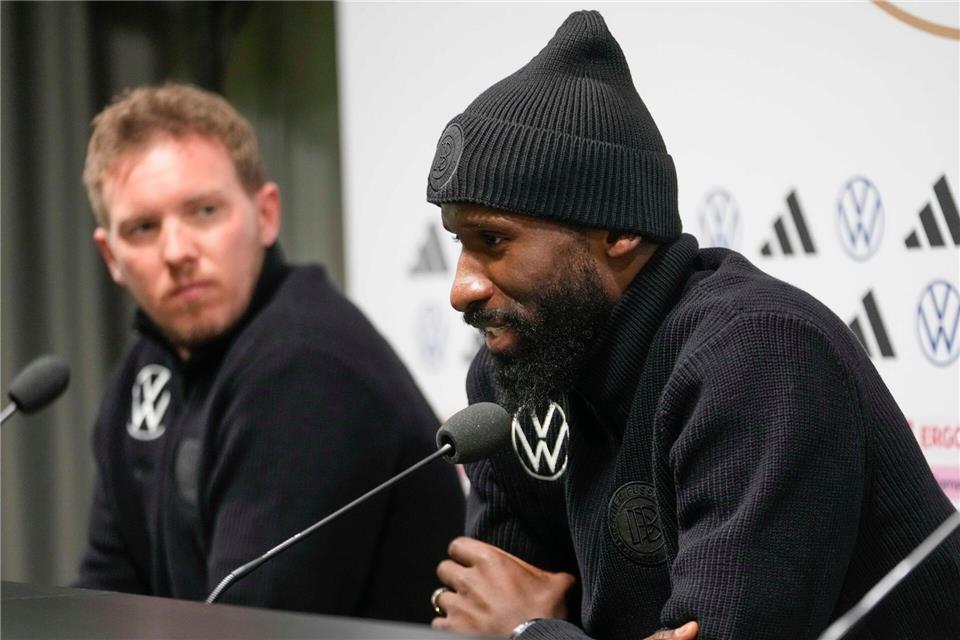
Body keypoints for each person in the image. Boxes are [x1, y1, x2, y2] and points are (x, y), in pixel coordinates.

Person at [424, 11, 960, 640]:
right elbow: (477, 618)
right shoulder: (517, 374)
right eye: (458, 242)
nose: (461, 288)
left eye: (493, 240)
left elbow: (506, 625)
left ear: (618, 231)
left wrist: (528, 632)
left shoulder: (759, 356)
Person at [75, 83, 465, 622]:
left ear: (266, 214)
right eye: (143, 228)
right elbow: (101, 597)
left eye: (204, 211)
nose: (177, 251)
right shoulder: (146, 367)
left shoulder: (307, 365)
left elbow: (250, 627)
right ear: (111, 256)